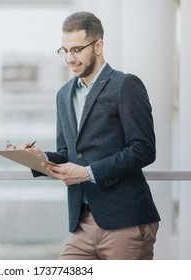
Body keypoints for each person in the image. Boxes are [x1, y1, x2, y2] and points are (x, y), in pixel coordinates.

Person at [21, 11, 160, 260]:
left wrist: (88, 173)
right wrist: (41, 158)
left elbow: (143, 149)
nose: (70, 59)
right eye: (64, 50)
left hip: (125, 222)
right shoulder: (63, 95)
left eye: (77, 50)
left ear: (98, 45)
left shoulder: (126, 85)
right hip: (81, 224)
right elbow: (69, 154)